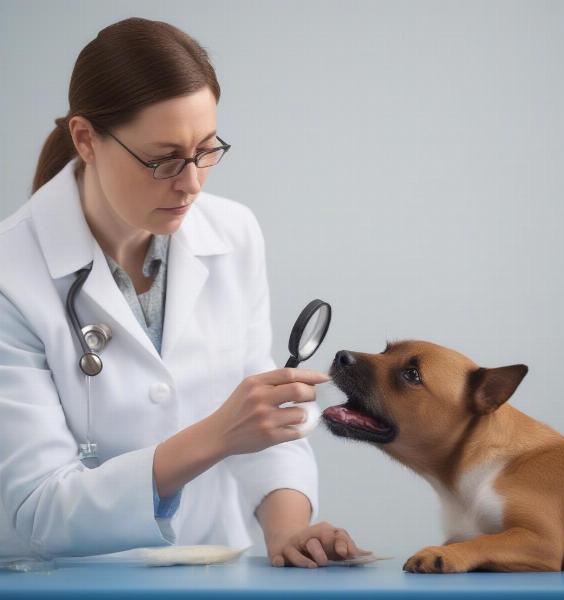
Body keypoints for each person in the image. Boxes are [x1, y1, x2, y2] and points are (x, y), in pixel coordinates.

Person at [0, 17, 369, 567]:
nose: (191, 182)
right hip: (74, 579)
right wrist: (217, 435)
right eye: (163, 158)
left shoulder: (232, 233)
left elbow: (260, 410)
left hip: (216, 568)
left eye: (206, 150)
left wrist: (289, 531)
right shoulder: (12, 274)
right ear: (86, 139)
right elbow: (34, 509)